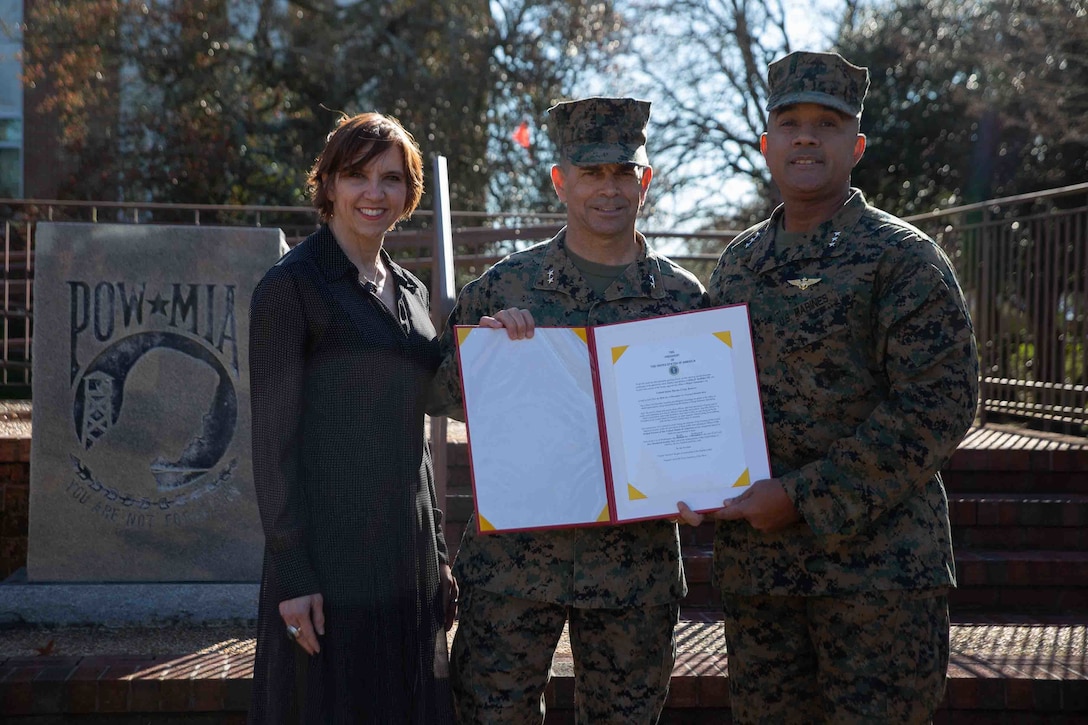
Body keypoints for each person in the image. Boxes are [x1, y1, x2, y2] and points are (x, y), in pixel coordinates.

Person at [679, 51, 979, 723]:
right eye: (789, 122)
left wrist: (801, 496)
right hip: (762, 580)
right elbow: (702, 395)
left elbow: (938, 406)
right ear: (767, 145)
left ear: (858, 145)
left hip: (879, 580)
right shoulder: (738, 264)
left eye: (828, 122)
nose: (806, 136)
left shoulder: (903, 258)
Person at [431, 97, 707, 723]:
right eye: (591, 173)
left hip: (633, 568)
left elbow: (703, 419)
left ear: (646, 181)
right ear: (560, 181)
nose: (608, 188)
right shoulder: (505, 286)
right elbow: (438, 392)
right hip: (514, 565)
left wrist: (706, 485)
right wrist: (490, 352)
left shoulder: (683, 298)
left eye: (623, 172)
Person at [247, 112, 457, 724]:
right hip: (329, 559)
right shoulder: (291, 288)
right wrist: (292, 573)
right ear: (330, 185)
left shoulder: (413, 294)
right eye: (356, 175)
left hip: (406, 552)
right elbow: (271, 443)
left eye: (390, 178)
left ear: (409, 193)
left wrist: (439, 551)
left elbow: (418, 428)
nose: (374, 192)